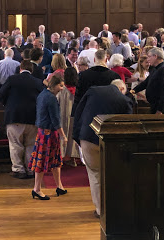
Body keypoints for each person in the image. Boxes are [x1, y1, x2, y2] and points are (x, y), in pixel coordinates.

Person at [73, 79, 132, 218]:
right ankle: (116, 208)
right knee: (114, 173)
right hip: (112, 141)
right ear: (122, 88)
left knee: (95, 174)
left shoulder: (93, 90)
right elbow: (129, 125)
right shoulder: (124, 100)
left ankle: (101, 211)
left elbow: (78, 113)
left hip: (87, 137)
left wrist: (77, 138)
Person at [0, 60, 45, 179]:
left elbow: (1, 94)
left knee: (15, 144)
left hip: (14, 116)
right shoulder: (38, 82)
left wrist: (8, 105)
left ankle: (18, 169)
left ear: (20, 68)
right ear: (32, 70)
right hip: (33, 118)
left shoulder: (12, 79)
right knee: (31, 144)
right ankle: (30, 169)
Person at [28, 76, 67, 200]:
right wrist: (64, 136)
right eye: (60, 86)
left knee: (55, 161)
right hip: (48, 133)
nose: (62, 88)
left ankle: (59, 186)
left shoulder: (43, 94)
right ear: (54, 85)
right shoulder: (51, 99)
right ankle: (37, 189)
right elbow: (55, 120)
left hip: (42, 131)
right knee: (41, 161)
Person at [131, 47, 164, 114]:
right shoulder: (155, 68)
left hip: (161, 108)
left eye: (149, 57)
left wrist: (160, 110)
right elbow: (146, 83)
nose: (148, 59)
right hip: (154, 104)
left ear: (155, 56)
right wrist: (133, 91)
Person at [57, 67, 80, 167]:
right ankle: (72, 158)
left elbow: (56, 102)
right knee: (72, 136)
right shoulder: (78, 90)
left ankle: (62, 157)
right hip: (74, 116)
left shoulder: (61, 90)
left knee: (64, 135)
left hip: (62, 116)